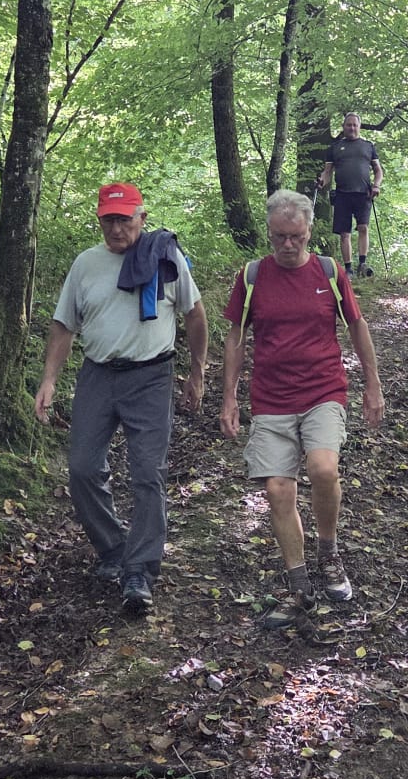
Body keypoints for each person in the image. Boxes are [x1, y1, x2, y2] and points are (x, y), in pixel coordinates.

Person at [35, 183, 208, 616]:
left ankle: (140, 571)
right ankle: (112, 548)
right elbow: (63, 324)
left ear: (141, 219)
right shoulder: (86, 264)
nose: (116, 228)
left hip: (151, 376)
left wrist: (197, 373)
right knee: (82, 468)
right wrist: (49, 380)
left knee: (148, 473)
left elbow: (195, 314)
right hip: (98, 373)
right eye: (108, 220)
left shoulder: (165, 258)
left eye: (124, 219)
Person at [220, 190, 385, 630]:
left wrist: (373, 385)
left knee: (323, 469)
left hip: (323, 390)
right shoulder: (252, 276)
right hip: (271, 398)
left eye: (295, 236)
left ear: (310, 231)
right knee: (278, 489)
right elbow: (235, 336)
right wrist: (229, 396)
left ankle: (328, 554)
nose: (288, 245)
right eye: (279, 237)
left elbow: (357, 325)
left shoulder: (328, 272)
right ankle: (299, 585)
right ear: (269, 233)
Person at [317, 111, 382, 277]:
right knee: (344, 233)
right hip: (342, 194)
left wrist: (376, 185)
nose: (352, 128)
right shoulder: (335, 147)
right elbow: (327, 171)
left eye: (355, 125)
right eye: (349, 125)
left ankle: (362, 263)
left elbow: (378, 170)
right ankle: (348, 269)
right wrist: (322, 180)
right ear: (343, 126)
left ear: (359, 126)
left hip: (364, 193)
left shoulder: (368, 146)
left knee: (363, 227)